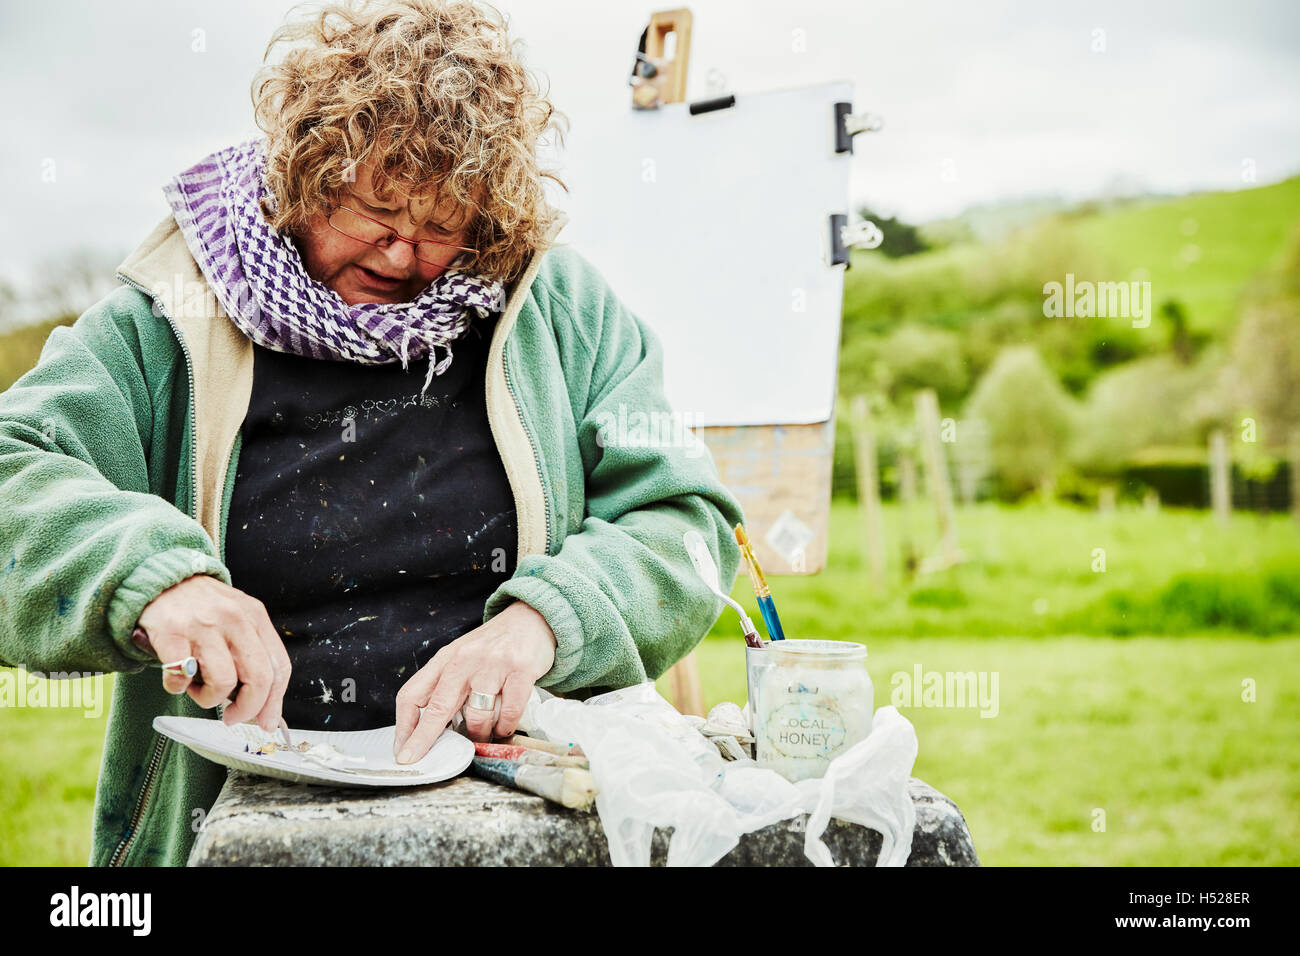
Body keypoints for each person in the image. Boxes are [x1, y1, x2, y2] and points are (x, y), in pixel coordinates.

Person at [0, 0, 744, 866]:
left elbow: (684, 523)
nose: (401, 257)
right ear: (303, 178)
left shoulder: (559, 309)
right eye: (375, 214)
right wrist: (151, 578)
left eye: (439, 228)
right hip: (244, 817)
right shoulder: (174, 311)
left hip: (528, 799)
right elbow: (14, 471)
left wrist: (545, 621)